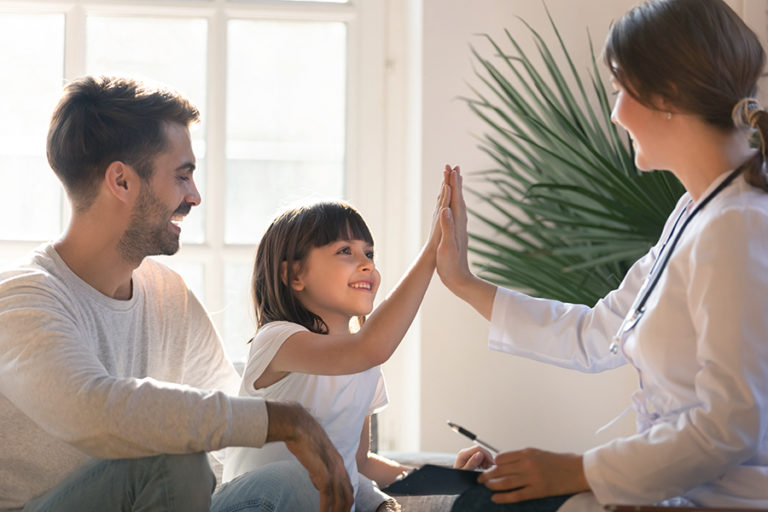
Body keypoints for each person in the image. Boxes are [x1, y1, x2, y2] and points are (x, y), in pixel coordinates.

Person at [435, 0, 768, 510]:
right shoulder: (696, 211)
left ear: (668, 95)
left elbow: (733, 425)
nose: (614, 114)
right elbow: (596, 334)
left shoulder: (736, 225)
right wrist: (463, 281)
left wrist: (578, 470)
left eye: (619, 91)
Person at [0, 75, 353, 512]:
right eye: (182, 176)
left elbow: (229, 434)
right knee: (170, 459)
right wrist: (285, 420)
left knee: (290, 481)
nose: (195, 196)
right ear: (121, 181)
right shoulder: (23, 297)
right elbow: (92, 410)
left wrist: (366, 469)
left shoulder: (168, 295)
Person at [221, 192, 450, 511]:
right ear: (294, 275)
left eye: (369, 253)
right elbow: (371, 347)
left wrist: (448, 479)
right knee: (301, 477)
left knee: (350, 490)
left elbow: (360, 463)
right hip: (256, 503)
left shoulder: (366, 365)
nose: (367, 263)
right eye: (345, 251)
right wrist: (431, 255)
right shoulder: (278, 341)